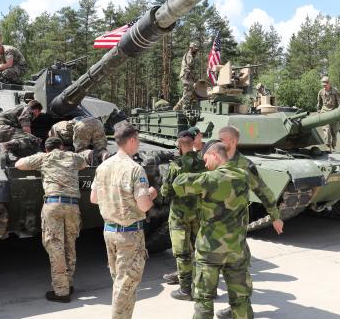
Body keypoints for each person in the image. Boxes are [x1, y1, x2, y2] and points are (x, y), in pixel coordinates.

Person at [173, 140, 283, 319]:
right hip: (236, 249)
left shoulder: (208, 179)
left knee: (204, 300)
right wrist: (275, 216)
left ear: (215, 155)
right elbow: (266, 193)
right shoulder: (243, 175)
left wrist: (189, 160)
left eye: (206, 159)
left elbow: (178, 183)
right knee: (241, 299)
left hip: (209, 251)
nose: (205, 164)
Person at [214, 126, 283, 319]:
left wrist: (275, 216)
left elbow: (263, 191)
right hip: (213, 227)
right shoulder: (215, 159)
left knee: (237, 269)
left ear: (233, 141)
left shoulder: (245, 165)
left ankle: (241, 310)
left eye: (222, 139)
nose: (219, 143)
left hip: (235, 227)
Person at [90, 122, 157, 319]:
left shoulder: (103, 167)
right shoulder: (134, 169)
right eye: (138, 140)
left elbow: (94, 198)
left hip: (109, 231)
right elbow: (144, 205)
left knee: (119, 281)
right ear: (132, 140)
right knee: (126, 284)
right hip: (129, 234)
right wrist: (151, 194)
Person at [15, 136, 88, 302]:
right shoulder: (72, 156)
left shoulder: (43, 157)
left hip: (53, 205)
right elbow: (84, 164)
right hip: (72, 206)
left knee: (55, 246)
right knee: (70, 245)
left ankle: (61, 292)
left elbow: (18, 164)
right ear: (61, 146)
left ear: (46, 149)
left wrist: (39, 157)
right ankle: (68, 284)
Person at [160, 131, 207, 300]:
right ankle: (205, 287)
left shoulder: (176, 165)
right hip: (199, 212)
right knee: (199, 249)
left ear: (179, 144)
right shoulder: (204, 162)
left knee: (182, 252)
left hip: (180, 215)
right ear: (193, 143)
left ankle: (186, 290)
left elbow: (166, 191)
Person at [316, 76, 340, 150]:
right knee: (327, 129)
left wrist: (339, 112)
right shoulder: (321, 92)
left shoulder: (335, 91)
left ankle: (333, 146)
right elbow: (319, 103)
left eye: (325, 85)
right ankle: (328, 146)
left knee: (334, 131)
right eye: (323, 85)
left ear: (329, 83)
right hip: (324, 112)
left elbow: (339, 102)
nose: (324, 87)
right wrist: (318, 112)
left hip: (334, 112)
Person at [173, 41, 199, 110]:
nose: (196, 51)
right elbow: (190, 63)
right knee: (188, 92)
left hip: (188, 75)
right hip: (186, 75)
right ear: (191, 48)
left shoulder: (189, 54)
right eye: (195, 49)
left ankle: (182, 107)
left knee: (189, 92)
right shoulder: (189, 54)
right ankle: (179, 107)